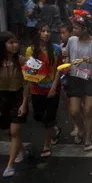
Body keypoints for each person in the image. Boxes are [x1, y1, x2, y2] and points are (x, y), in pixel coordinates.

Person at [66, 11, 92, 151]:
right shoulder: (71, 40)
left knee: (88, 110)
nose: (74, 30)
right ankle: (81, 129)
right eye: (73, 27)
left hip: (91, 79)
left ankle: (88, 137)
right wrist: (65, 66)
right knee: (74, 111)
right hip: (75, 78)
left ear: (85, 28)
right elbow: (67, 57)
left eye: (76, 28)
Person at [0, 32, 29, 178]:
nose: (15, 45)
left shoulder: (22, 61)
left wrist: (24, 103)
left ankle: (10, 165)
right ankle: (21, 150)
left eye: (16, 42)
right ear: (3, 45)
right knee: (8, 131)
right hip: (2, 98)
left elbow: (27, 83)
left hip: (18, 97)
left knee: (14, 132)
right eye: (11, 43)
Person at [26, 22, 63, 159]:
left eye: (48, 31)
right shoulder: (31, 50)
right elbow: (30, 72)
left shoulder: (56, 49)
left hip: (53, 89)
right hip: (37, 89)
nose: (46, 33)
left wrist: (54, 87)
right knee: (39, 116)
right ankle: (55, 129)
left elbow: (59, 69)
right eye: (43, 31)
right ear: (38, 33)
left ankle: (46, 145)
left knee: (49, 117)